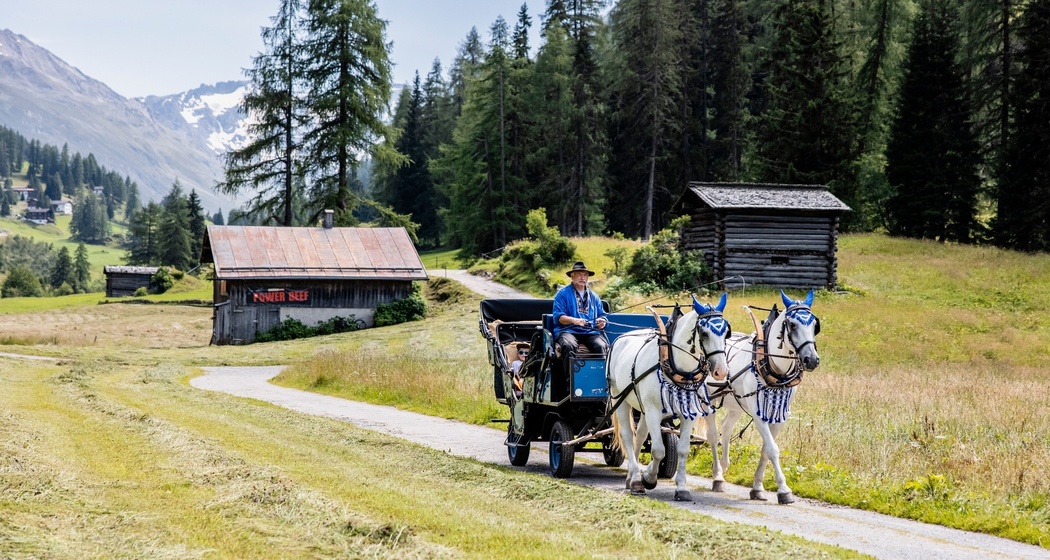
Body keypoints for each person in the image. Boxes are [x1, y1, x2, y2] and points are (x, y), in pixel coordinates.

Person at [553, 261, 609, 360]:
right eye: (579, 274)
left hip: (590, 332)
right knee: (568, 345)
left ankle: (599, 375)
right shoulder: (562, 294)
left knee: (602, 346)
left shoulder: (594, 297)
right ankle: (569, 376)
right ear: (572, 276)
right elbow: (559, 317)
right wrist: (574, 320)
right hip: (568, 331)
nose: (582, 278)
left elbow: (602, 315)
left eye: (585, 275)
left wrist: (602, 321)